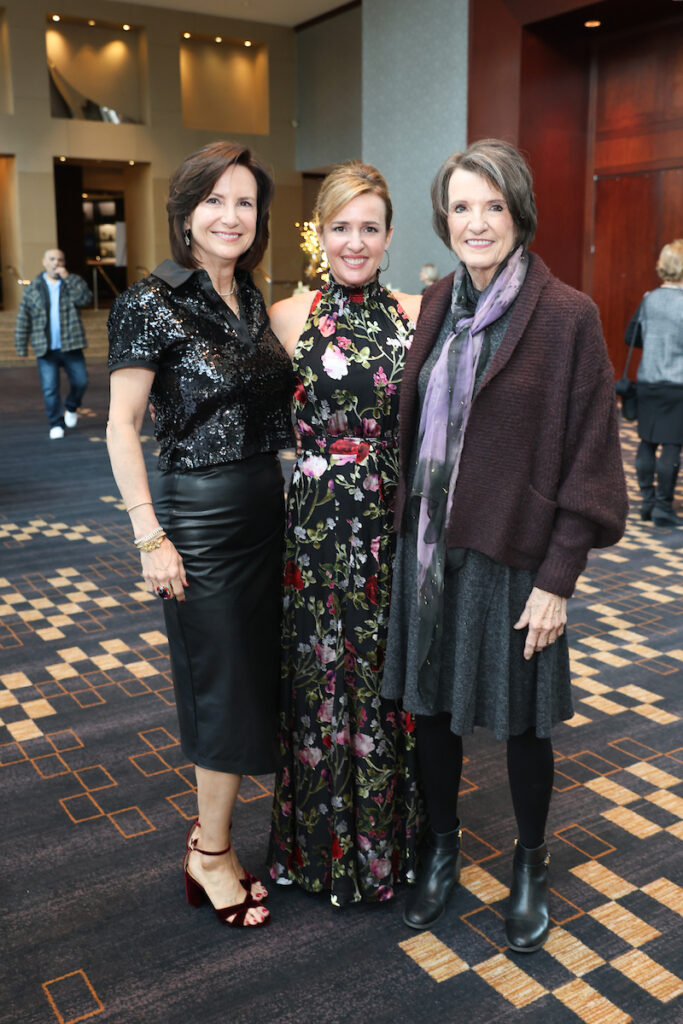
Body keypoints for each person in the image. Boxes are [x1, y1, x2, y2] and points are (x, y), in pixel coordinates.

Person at [382, 139, 628, 949]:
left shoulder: (566, 316)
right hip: (429, 554)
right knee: (433, 717)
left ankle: (530, 861)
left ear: (518, 213)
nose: (475, 221)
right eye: (460, 206)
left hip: (516, 559)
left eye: (492, 206)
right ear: (442, 219)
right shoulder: (438, 303)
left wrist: (558, 578)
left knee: (524, 727)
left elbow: (590, 460)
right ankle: (442, 849)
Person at [106, 141, 295, 928]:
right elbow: (120, 428)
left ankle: (217, 837)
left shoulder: (252, 299)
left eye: (244, 202)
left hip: (267, 511)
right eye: (214, 201)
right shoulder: (150, 301)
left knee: (259, 679)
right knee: (222, 690)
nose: (230, 216)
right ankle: (209, 853)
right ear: (185, 214)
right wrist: (150, 535)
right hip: (200, 519)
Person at [267, 161, 423, 906]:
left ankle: (393, 846)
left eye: (369, 228)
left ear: (389, 237)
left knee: (386, 676)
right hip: (318, 528)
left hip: (391, 521)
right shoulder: (286, 314)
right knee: (322, 677)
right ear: (318, 234)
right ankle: (321, 851)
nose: (354, 242)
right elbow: (269, 433)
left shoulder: (419, 312)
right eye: (340, 228)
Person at [626, 239, 683, 527]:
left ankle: (647, 503)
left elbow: (630, 337)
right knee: (672, 444)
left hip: (648, 381)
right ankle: (663, 506)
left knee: (647, 442)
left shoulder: (649, 299)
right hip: (677, 385)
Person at [14, 249, 92, 439]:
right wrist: (21, 345)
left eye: (60, 259)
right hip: (45, 348)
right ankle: (56, 423)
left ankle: (72, 406)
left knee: (81, 381)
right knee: (50, 388)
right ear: (44, 262)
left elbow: (85, 299)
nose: (56, 262)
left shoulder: (73, 282)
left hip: (71, 345)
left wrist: (68, 278)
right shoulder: (34, 287)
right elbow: (24, 317)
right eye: (52, 259)